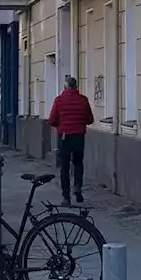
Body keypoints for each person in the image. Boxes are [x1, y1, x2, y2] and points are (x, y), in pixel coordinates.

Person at [48, 76, 94, 204]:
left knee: (64, 167)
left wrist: (61, 124)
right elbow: (90, 119)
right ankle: (78, 187)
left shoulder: (59, 100)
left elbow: (52, 120)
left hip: (64, 137)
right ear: (76, 87)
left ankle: (66, 197)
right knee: (78, 163)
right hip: (79, 136)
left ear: (65, 86)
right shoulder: (83, 100)